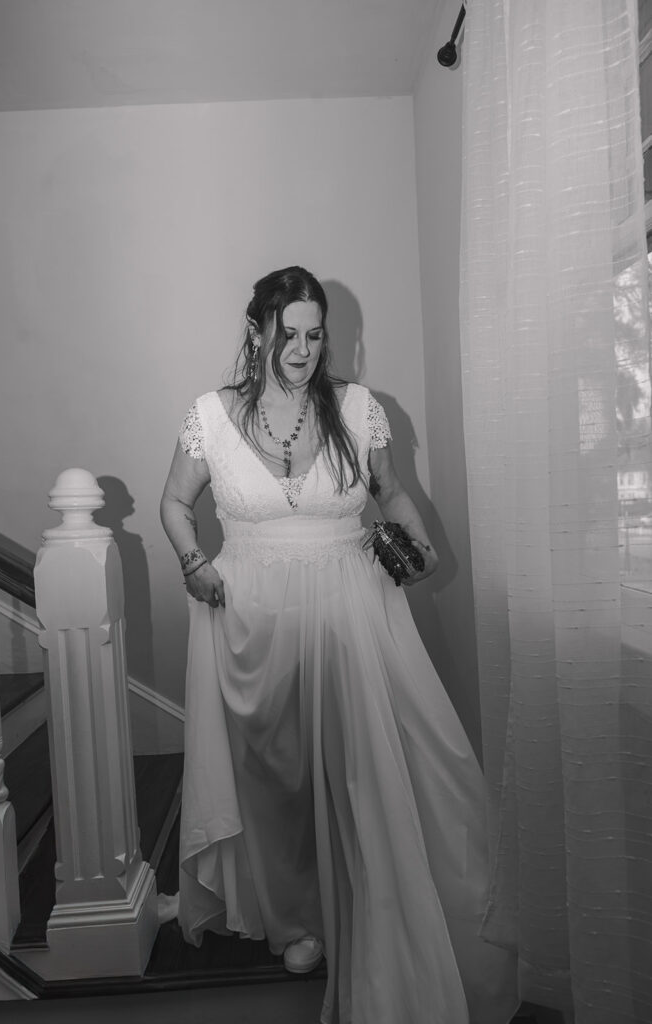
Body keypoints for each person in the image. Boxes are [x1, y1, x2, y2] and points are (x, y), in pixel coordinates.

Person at [159, 266, 518, 1024]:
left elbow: (388, 490)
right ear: (257, 332)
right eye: (286, 332)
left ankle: (375, 909)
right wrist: (193, 563)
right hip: (247, 622)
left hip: (352, 612)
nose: (301, 348)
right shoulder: (211, 415)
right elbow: (173, 502)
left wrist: (417, 535)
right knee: (275, 779)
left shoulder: (358, 409)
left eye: (314, 333)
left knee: (360, 767)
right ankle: (295, 918)